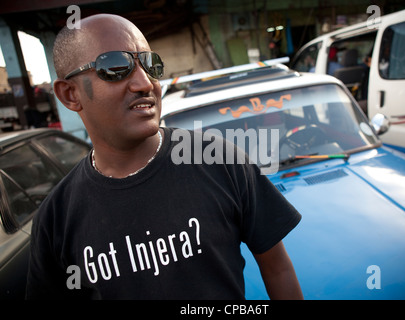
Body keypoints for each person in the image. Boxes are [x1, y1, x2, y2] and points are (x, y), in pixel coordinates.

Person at [26, 14, 303, 300]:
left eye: (150, 64)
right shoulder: (56, 218)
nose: (145, 83)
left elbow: (277, 269)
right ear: (70, 94)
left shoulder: (219, 161)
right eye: (116, 67)